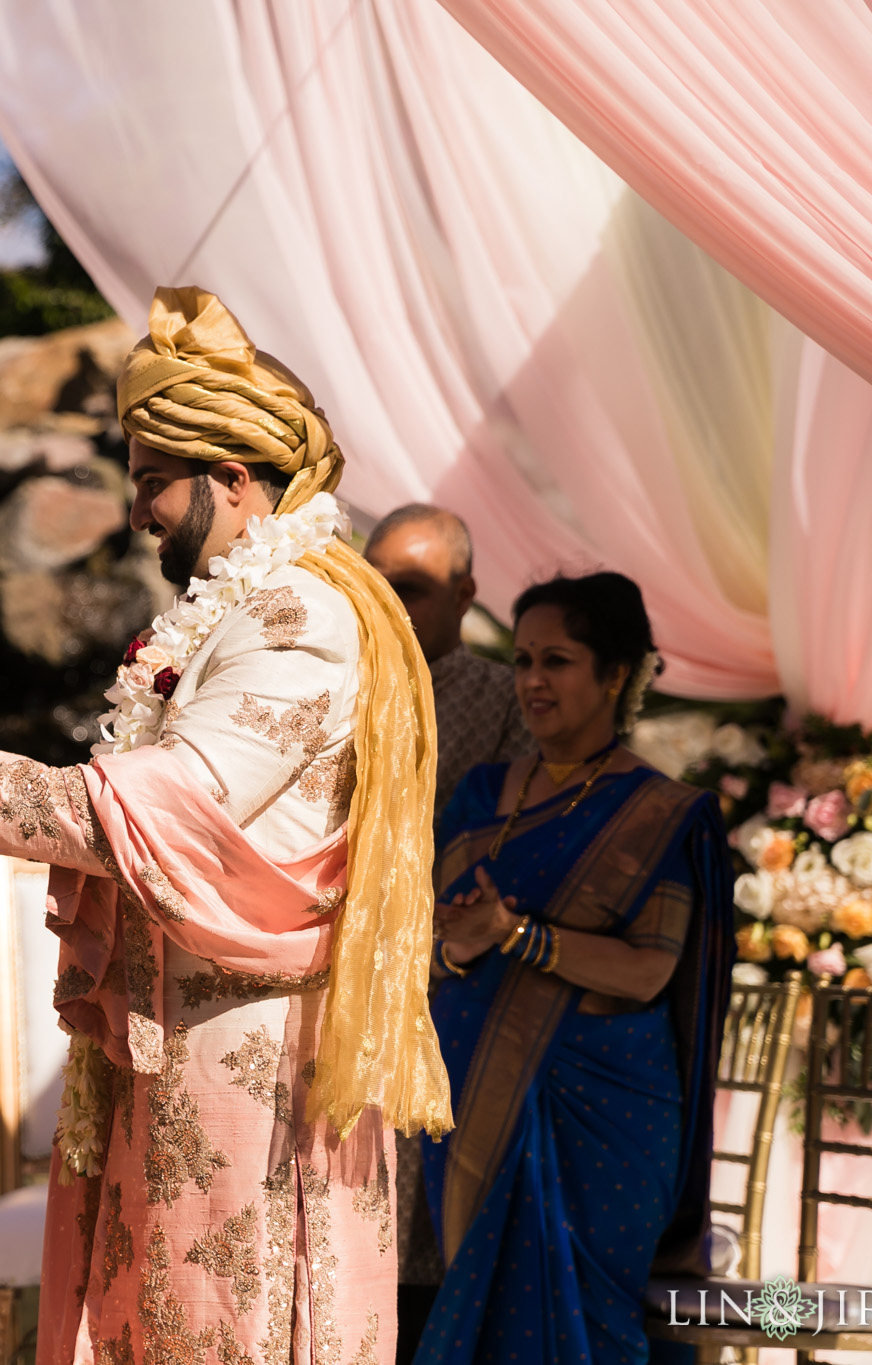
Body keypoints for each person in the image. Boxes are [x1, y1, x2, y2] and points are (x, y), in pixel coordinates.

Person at [0, 288, 451, 1365]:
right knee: (168, 1317)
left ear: (233, 481)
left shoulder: (297, 614)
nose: (138, 507)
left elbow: (170, 801)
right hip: (183, 1038)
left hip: (252, 1050)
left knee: (234, 1326)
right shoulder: (239, 609)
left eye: (154, 481)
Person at [416, 572, 732, 1365]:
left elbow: (648, 970)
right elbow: (433, 939)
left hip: (605, 1117)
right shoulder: (483, 794)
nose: (531, 681)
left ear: (615, 673)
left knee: (587, 1331)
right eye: (522, 660)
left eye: (555, 660)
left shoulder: (656, 814)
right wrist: (458, 945)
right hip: (472, 1102)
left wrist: (516, 933)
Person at [362, 504, 531, 1357]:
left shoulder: (506, 699)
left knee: (436, 1218)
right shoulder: (334, 685)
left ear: (466, 595)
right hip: (345, 981)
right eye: (378, 582)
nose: (390, 604)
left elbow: (514, 848)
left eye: (415, 590)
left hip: (454, 987)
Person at [364, 504, 532, 814]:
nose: (383, 605)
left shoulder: (511, 701)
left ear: (462, 596)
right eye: (372, 586)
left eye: (407, 590)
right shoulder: (334, 673)